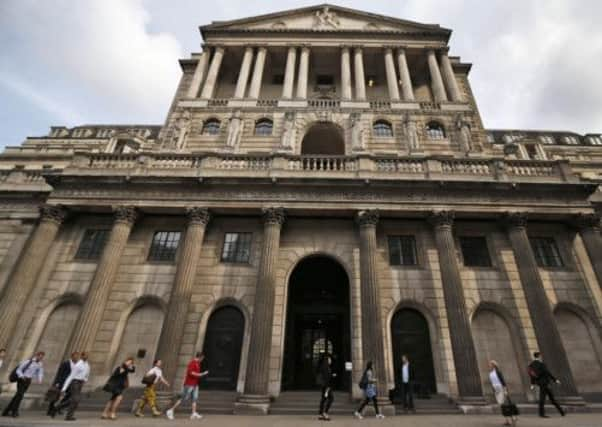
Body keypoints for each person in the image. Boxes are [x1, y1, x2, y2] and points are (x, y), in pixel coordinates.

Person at [166, 352, 208, 420]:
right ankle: (170, 411)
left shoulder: (198, 363)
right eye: (202, 358)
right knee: (184, 398)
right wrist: (201, 374)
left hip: (195, 384)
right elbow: (191, 373)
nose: (202, 359)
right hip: (189, 384)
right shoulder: (192, 363)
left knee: (194, 398)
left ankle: (193, 413)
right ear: (200, 357)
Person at [2, 351, 45, 417]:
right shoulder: (28, 361)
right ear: (37, 355)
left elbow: (40, 372)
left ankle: (6, 411)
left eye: (42, 357)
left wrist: (39, 379)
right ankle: (14, 411)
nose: (41, 358)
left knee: (18, 396)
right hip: (22, 380)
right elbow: (18, 370)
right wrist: (22, 376)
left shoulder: (40, 364)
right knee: (20, 395)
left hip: (28, 381)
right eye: (40, 356)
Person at [528, 352, 565, 418]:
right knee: (544, 399)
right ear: (539, 356)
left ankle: (561, 412)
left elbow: (531, 375)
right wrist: (555, 380)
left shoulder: (531, 365)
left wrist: (532, 384)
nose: (541, 357)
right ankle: (542, 414)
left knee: (550, 398)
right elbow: (547, 373)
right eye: (540, 356)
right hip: (545, 383)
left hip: (540, 383)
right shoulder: (542, 364)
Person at [59, 351, 90, 421]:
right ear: (82, 356)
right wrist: (64, 388)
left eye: (87, 355)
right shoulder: (78, 365)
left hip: (80, 383)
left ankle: (59, 406)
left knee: (74, 399)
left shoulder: (87, 365)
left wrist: (85, 379)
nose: (87, 357)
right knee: (76, 399)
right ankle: (68, 416)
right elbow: (71, 376)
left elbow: (87, 373)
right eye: (85, 355)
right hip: (75, 382)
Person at [47, 352, 78, 417]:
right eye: (75, 356)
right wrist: (57, 382)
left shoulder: (76, 365)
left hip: (69, 383)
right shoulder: (65, 363)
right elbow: (59, 373)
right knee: (56, 396)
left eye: (77, 357)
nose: (76, 358)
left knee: (68, 396)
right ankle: (50, 410)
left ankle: (59, 408)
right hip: (62, 382)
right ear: (72, 356)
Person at [489, 360, 517, 426]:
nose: (489, 366)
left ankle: (513, 417)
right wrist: (494, 390)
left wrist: (505, 390)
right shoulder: (491, 373)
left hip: (501, 389)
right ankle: (507, 420)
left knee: (505, 404)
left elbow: (502, 381)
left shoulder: (498, 372)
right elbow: (493, 383)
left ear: (494, 365)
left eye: (490, 364)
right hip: (496, 390)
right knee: (502, 405)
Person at [316, 353, 336, 421]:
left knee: (323, 399)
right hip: (327, 386)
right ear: (327, 360)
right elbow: (327, 378)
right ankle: (325, 413)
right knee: (331, 398)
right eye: (329, 359)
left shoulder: (323, 367)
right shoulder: (326, 368)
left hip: (324, 386)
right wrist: (328, 388)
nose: (330, 360)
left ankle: (321, 414)